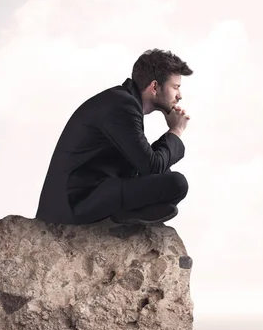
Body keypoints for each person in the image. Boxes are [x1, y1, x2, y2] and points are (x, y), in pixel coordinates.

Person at [35, 49, 193, 225]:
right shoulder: (122, 106)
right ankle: (127, 215)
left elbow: (146, 162)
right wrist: (176, 130)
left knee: (165, 173)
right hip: (76, 203)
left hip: (93, 191)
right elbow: (152, 165)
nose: (180, 96)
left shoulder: (123, 101)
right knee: (177, 183)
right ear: (155, 87)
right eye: (175, 87)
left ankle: (131, 215)